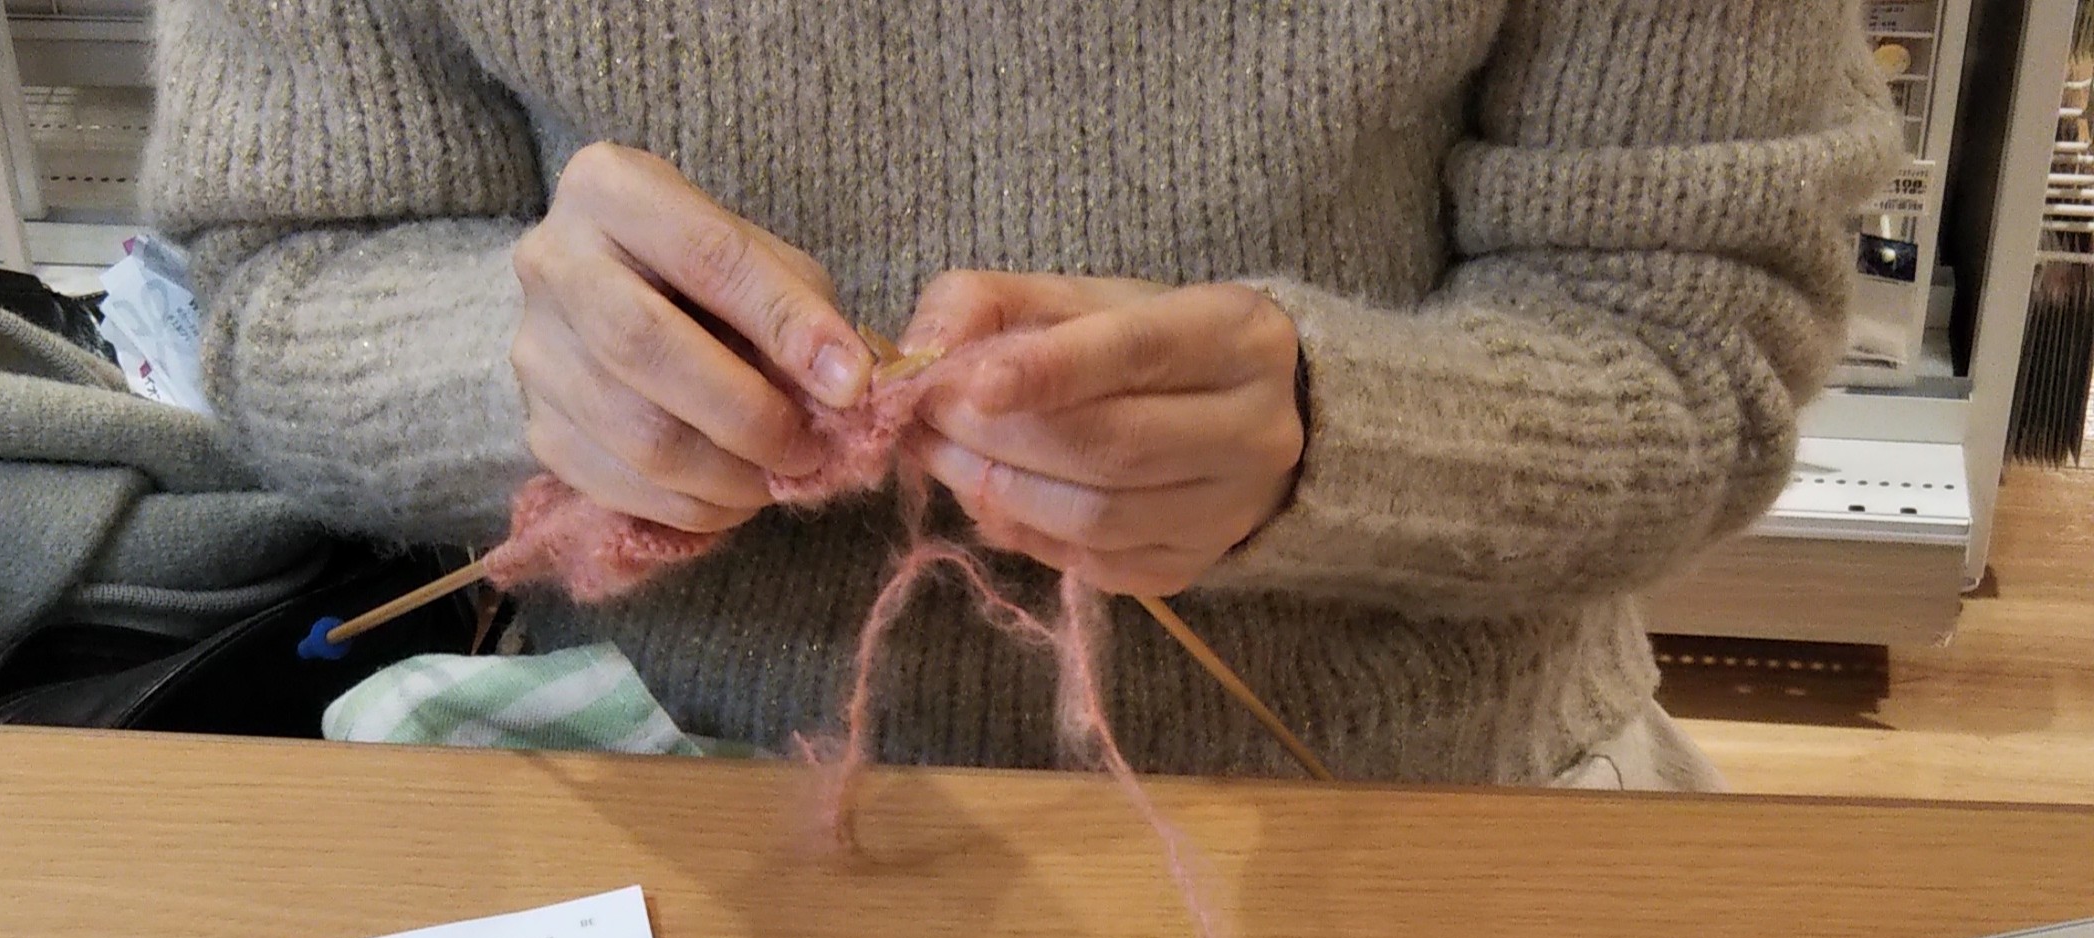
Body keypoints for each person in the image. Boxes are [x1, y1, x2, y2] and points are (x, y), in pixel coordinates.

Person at [143, 2, 1895, 784]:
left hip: (1417, 816)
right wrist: (531, 373)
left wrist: (1335, 440)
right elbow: (282, 290)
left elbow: (1696, 344)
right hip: (666, 802)